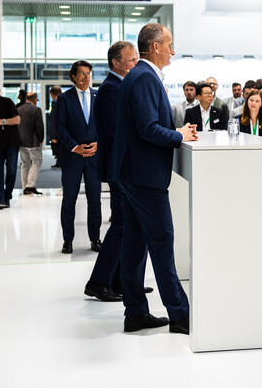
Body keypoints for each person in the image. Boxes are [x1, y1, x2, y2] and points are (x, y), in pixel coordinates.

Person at [110, 23, 197, 335]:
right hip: (144, 177)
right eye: (170, 45)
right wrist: (179, 134)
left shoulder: (140, 76)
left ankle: (135, 313)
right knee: (161, 242)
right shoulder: (145, 77)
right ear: (156, 47)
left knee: (134, 245)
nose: (173, 51)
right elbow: (148, 128)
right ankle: (181, 314)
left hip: (134, 174)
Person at [86, 40, 141, 303]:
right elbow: (114, 130)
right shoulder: (111, 89)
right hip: (118, 168)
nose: (135, 64)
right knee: (120, 224)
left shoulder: (120, 86)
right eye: (131, 60)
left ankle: (118, 280)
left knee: (126, 224)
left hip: (124, 166)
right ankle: (99, 282)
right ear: (115, 63)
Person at [56, 60, 102, 254]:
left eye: (88, 73)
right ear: (73, 76)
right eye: (82, 73)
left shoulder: (98, 97)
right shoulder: (64, 99)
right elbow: (59, 128)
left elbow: (105, 124)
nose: (86, 77)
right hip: (72, 158)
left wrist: (98, 143)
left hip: (93, 157)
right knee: (69, 200)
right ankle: (68, 240)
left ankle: (95, 238)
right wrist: (75, 147)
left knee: (95, 200)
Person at [17, 91, 44, 195]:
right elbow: (39, 127)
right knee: (37, 162)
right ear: (34, 98)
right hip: (33, 142)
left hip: (21, 142)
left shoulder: (18, 109)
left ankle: (25, 187)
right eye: (37, 99)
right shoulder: (36, 110)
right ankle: (30, 185)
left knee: (25, 164)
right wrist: (41, 139)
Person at [48, 85, 62, 169]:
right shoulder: (64, 101)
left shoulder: (56, 103)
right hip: (62, 131)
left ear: (52, 94)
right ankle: (59, 162)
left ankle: (60, 162)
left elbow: (53, 120)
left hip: (57, 132)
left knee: (58, 149)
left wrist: (53, 135)